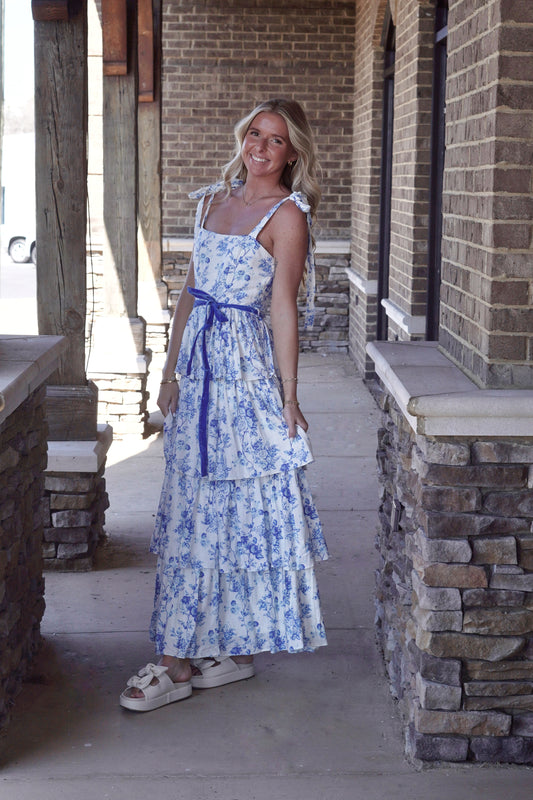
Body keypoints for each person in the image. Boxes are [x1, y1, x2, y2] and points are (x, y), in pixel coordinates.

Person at [120, 98, 329, 712]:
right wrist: (170, 369)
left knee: (233, 509)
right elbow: (190, 288)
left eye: (276, 140)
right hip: (199, 371)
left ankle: (178, 659)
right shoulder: (213, 200)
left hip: (244, 375)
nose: (260, 147)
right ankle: (199, 650)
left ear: (293, 153)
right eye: (255, 134)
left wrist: (289, 398)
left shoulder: (289, 216)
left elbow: (283, 309)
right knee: (190, 510)